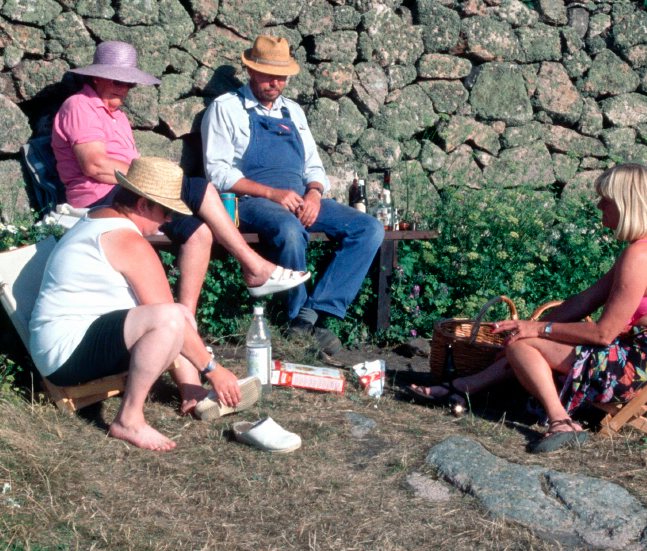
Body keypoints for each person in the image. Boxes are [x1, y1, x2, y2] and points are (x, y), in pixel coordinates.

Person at [409, 163, 647, 453]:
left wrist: (536, 330)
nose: (599, 205)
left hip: (639, 375)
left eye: (606, 200)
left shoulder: (640, 256)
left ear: (627, 204)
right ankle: (463, 388)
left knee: (525, 348)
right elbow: (584, 301)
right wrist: (529, 326)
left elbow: (603, 334)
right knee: (527, 341)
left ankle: (561, 422)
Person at [49, 40, 308, 305]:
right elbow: (95, 165)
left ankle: (187, 322)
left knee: (200, 232)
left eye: (129, 83)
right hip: (100, 199)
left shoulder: (119, 117)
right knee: (200, 188)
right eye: (117, 81)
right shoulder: (80, 106)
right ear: (96, 77)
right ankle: (254, 267)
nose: (124, 88)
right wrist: (154, 177)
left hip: (130, 195)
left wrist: (150, 178)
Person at [26, 157, 243, 451]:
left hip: (64, 342)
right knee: (169, 316)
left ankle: (189, 393)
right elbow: (168, 319)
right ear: (142, 205)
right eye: (165, 211)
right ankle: (128, 419)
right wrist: (214, 370)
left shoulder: (98, 217)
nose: (168, 220)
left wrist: (197, 381)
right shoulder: (128, 241)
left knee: (174, 315)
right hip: (65, 354)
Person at [202, 35, 384, 353]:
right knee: (289, 230)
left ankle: (308, 317)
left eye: (281, 76)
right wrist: (271, 193)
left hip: (300, 199)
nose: (275, 82)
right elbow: (217, 173)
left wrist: (314, 195)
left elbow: (314, 167)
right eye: (267, 74)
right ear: (251, 71)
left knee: (369, 228)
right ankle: (295, 315)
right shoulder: (226, 108)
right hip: (252, 201)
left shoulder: (294, 112)